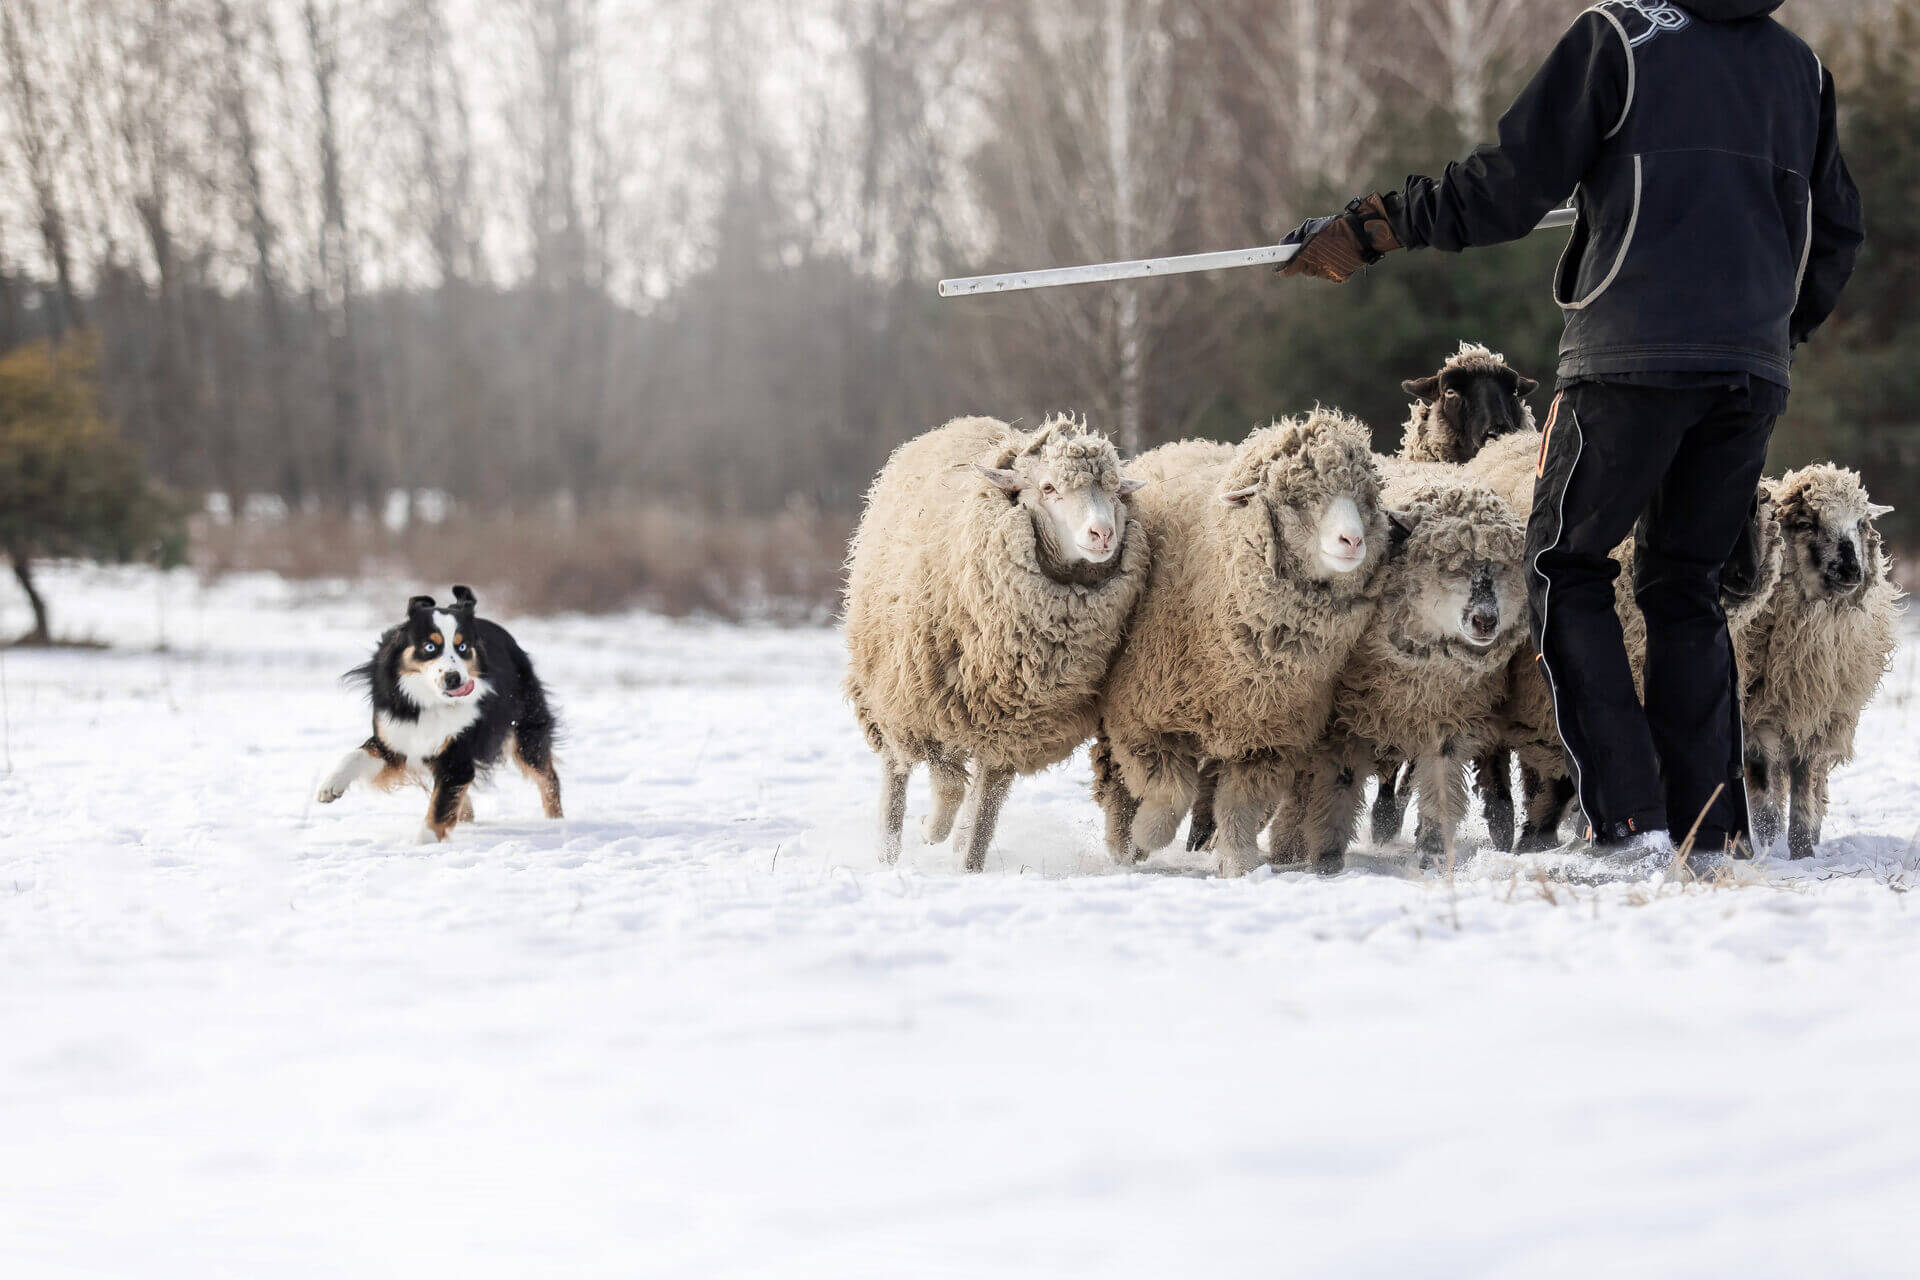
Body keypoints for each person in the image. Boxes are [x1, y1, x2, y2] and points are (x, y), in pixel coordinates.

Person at [1279, 0, 1863, 861]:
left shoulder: (1618, 39)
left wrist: (1373, 227)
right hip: (1749, 371)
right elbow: (1838, 230)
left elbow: (1509, 186)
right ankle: (1708, 833)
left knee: (1563, 565)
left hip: (1629, 357)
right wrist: (1771, 328)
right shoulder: (1800, 68)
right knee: (1686, 589)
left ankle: (1630, 821)